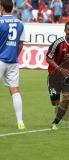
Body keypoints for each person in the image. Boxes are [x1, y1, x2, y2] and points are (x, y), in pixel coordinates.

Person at [46, 21, 69, 130]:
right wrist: (59, 68)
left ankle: (56, 122)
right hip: (54, 75)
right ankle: (58, 107)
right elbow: (48, 58)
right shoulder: (58, 43)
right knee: (54, 101)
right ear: (65, 30)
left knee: (66, 98)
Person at [0, 0, 26, 130]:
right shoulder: (20, 23)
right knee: (15, 90)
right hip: (13, 61)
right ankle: (20, 122)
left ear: (2, 7)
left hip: (0, 59)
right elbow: (21, 45)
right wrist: (14, 55)